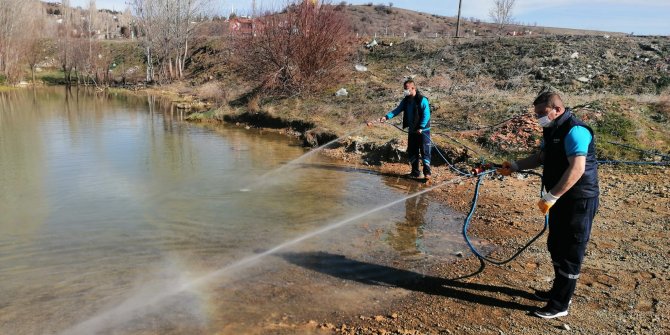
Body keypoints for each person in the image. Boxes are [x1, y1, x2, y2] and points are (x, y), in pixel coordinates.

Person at [497, 90, 599, 319]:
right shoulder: (551, 128)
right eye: (537, 114)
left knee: (571, 251)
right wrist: (514, 166)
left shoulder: (576, 131)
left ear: (557, 109)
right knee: (555, 245)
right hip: (559, 198)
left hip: (578, 199)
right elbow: (541, 158)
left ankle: (560, 305)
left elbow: (577, 169)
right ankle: (557, 292)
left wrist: (552, 196)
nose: (539, 118)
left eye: (542, 113)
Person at [376, 79, 432, 180]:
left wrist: (421, 127)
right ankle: (415, 172)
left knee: (425, 151)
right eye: (404, 89)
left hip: (423, 131)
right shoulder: (406, 100)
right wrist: (386, 117)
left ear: (413, 88)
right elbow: (397, 110)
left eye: (407, 89)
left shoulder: (422, 100)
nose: (405, 91)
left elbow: (426, 114)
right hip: (412, 130)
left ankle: (427, 173)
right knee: (412, 151)